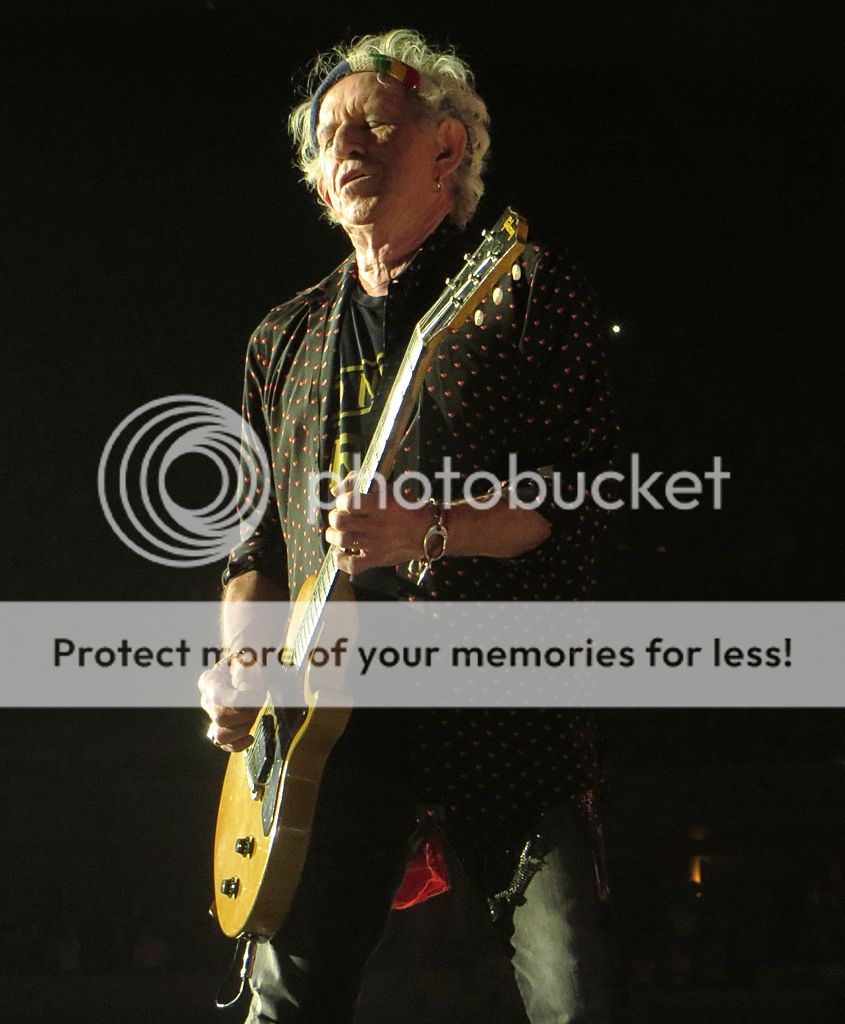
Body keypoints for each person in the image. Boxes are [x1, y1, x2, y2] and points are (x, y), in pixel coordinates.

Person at [200, 28, 619, 1023]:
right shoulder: (281, 338)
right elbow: (254, 542)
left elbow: (575, 498)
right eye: (326, 136)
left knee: (574, 999)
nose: (344, 145)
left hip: (503, 717)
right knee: (285, 1007)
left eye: (374, 125)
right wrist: (240, 662)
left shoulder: (522, 292)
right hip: (324, 741)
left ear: (446, 148)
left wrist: (425, 530)